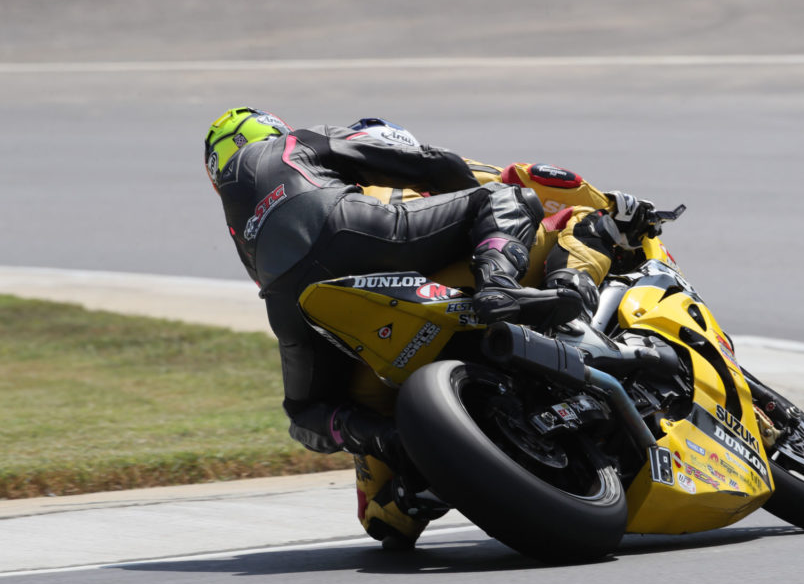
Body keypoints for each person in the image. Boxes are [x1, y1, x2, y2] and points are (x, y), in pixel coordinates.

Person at [204, 108, 659, 547]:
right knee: (509, 200)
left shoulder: (238, 220)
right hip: (362, 238)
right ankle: (501, 285)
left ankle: (397, 462)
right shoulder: (297, 144)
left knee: (307, 412)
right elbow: (432, 164)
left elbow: (307, 422)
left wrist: (384, 437)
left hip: (295, 302)